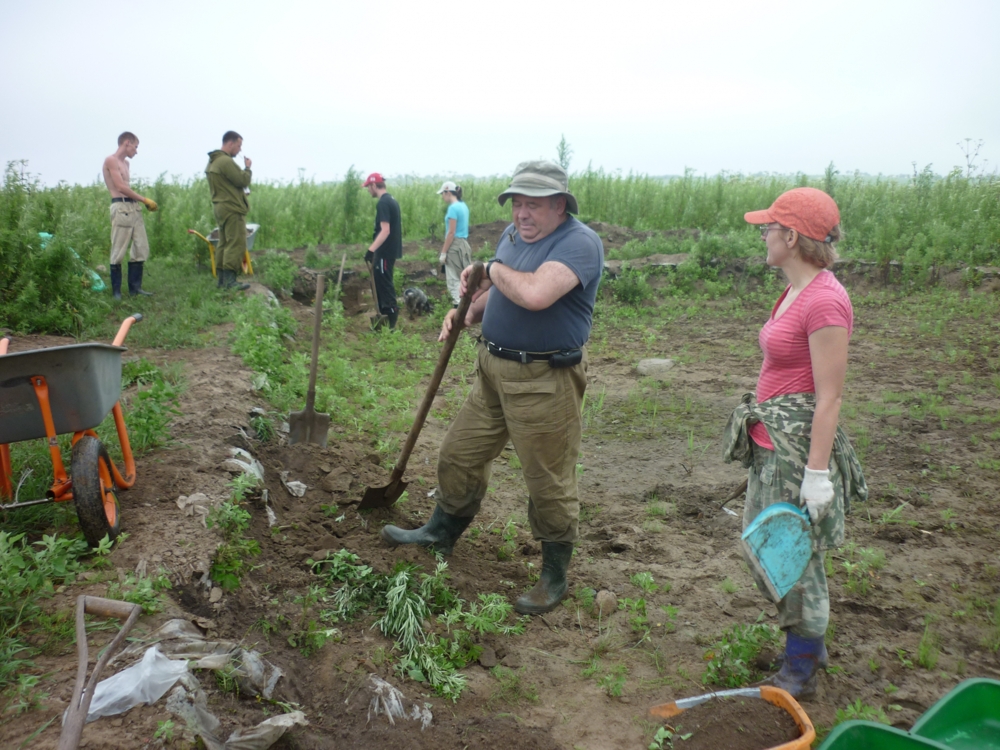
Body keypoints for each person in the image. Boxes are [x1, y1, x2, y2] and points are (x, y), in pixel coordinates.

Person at [382, 161, 604, 616]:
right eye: (517, 203)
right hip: (492, 370)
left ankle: (553, 574)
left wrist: (490, 269)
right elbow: (500, 288)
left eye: (534, 205)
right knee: (458, 454)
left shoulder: (580, 243)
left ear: (560, 205)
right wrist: (468, 310)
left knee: (548, 481)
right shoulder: (511, 237)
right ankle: (442, 532)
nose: (522, 214)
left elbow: (536, 292)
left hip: (544, 381)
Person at [722, 187, 867, 699]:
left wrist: (817, 474)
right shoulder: (794, 290)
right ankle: (809, 643)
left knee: (792, 553)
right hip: (773, 444)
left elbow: (829, 397)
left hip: (797, 451)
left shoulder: (826, 300)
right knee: (769, 545)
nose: (762, 234)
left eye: (768, 227)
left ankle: (800, 668)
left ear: (791, 235)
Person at [102, 132, 158, 300]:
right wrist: (144, 199)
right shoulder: (111, 160)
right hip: (120, 206)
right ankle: (117, 292)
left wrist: (140, 203)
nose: (136, 151)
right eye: (136, 146)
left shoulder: (126, 163)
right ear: (127, 143)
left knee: (141, 247)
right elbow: (119, 186)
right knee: (118, 249)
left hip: (133, 208)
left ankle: (135, 288)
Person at [205, 131, 252, 291]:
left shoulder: (213, 162)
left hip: (220, 207)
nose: (239, 150)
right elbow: (242, 180)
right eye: (238, 146)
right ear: (230, 144)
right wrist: (247, 168)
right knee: (236, 242)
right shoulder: (225, 161)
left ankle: (222, 281)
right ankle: (230, 282)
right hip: (232, 208)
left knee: (224, 243)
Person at [363, 172, 403, 329]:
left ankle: (390, 323)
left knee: (385, 285)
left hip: (385, 252)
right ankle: (386, 322)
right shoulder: (391, 200)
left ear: (374, 185)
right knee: (382, 284)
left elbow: (385, 230)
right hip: (388, 251)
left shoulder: (383, 203)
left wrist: (371, 250)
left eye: (368, 187)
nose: (368, 190)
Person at [437, 181, 472, 306]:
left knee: (453, 279)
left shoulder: (452, 208)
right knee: (463, 276)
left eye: (443, 193)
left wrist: (444, 252)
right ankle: (466, 306)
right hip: (463, 244)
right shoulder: (463, 206)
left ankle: (459, 308)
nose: (442, 196)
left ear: (448, 192)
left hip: (454, 245)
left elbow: (451, 232)